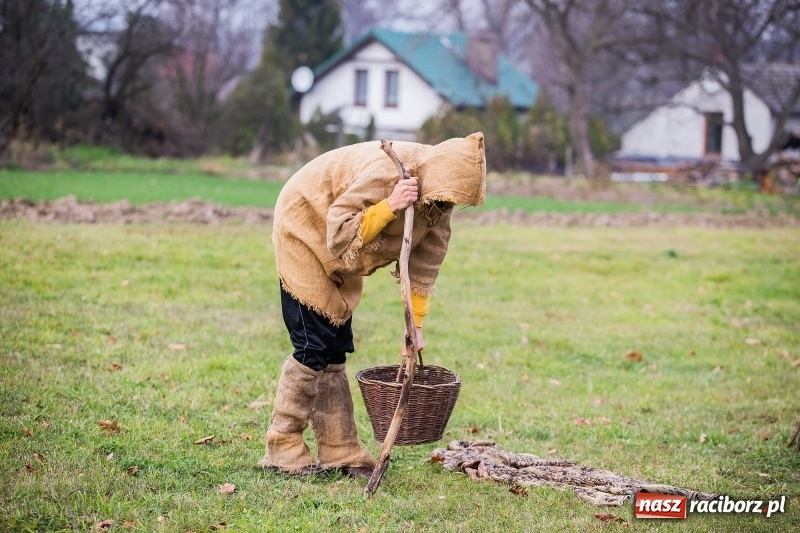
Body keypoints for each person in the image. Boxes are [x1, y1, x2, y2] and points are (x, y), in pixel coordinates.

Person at [259, 132, 486, 478]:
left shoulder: (438, 201)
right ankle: (282, 447)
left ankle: (339, 449)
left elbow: (424, 267)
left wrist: (415, 330)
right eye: (447, 198)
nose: (449, 205)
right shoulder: (390, 172)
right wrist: (391, 204)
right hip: (306, 223)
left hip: (345, 254)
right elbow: (338, 231)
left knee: (334, 348)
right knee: (312, 345)